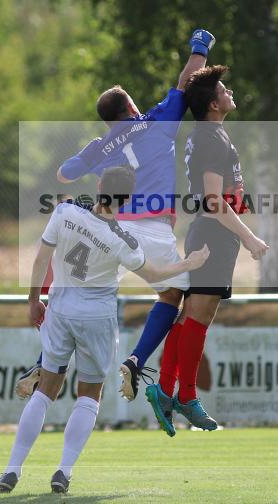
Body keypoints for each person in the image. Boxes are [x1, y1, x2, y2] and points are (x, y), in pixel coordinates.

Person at [17, 28, 216, 403]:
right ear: (133, 109)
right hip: (154, 228)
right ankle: (137, 362)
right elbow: (187, 81)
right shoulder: (155, 120)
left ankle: (42, 364)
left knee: (78, 294)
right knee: (173, 294)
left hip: (112, 231)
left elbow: (64, 173)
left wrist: (96, 150)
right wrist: (200, 46)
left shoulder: (101, 146)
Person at [0, 166, 208, 495]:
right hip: (96, 318)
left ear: (98, 186)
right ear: (128, 200)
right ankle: (63, 472)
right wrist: (188, 265)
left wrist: (34, 300)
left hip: (59, 309)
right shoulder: (124, 240)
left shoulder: (64, 211)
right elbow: (155, 276)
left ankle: (11, 470)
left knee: (45, 390)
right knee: (89, 395)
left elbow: (40, 260)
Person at [145, 65, 269, 436]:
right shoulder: (212, 138)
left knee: (194, 316)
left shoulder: (209, 134)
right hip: (214, 233)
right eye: (224, 89)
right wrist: (249, 237)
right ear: (214, 104)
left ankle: (168, 391)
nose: (230, 93)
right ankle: (181, 393)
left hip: (210, 233)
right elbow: (214, 201)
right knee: (198, 317)